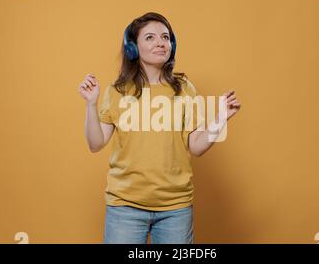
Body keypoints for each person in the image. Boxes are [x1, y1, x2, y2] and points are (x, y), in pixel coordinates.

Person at [77, 12, 241, 244]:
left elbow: (196, 146)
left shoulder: (184, 89)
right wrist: (91, 104)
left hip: (176, 208)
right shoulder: (117, 91)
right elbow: (95, 144)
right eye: (150, 38)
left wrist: (221, 118)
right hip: (125, 206)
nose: (160, 42)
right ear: (133, 48)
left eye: (165, 37)